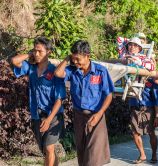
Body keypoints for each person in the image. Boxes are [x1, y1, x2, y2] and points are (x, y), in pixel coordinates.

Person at [54, 40, 114, 166]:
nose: (75, 62)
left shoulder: (100, 71)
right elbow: (58, 73)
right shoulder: (72, 70)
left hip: (96, 116)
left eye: (78, 59)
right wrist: (66, 59)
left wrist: (99, 114)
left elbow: (108, 95)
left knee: (93, 157)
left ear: (88, 56)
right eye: (73, 58)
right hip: (79, 116)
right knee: (82, 152)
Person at [11, 36, 66, 166]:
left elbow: (60, 99)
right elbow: (14, 61)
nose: (36, 54)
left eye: (40, 51)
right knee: (46, 150)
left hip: (54, 115)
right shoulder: (31, 68)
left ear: (49, 52)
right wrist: (30, 53)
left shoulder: (55, 71)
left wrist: (48, 119)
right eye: (34, 51)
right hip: (37, 114)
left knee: (49, 148)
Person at [129, 78, 158, 164]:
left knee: (151, 132)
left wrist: (157, 116)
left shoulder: (152, 81)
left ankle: (154, 154)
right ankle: (142, 155)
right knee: (135, 133)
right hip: (135, 108)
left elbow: (157, 100)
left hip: (148, 109)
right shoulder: (132, 78)